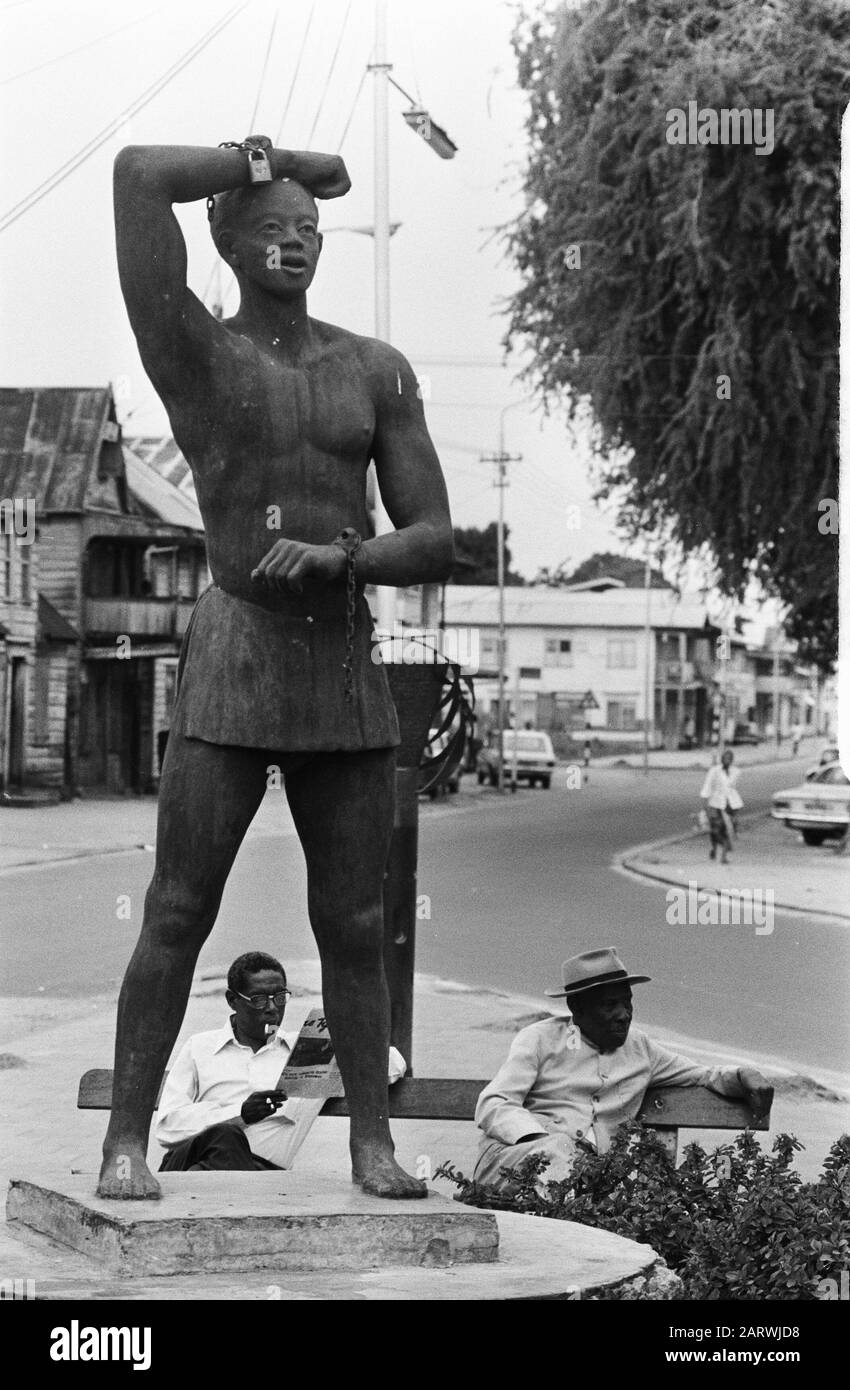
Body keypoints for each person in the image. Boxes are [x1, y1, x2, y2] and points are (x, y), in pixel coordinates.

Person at [98, 134, 453, 1202]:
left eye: (308, 228)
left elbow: (435, 534)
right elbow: (133, 177)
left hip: (341, 659)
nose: (294, 243)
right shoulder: (195, 353)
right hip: (238, 648)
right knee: (177, 907)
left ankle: (371, 1146)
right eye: (270, 228)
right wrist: (270, 156)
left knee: (352, 920)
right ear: (230, 239)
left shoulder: (373, 369)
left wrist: (348, 554)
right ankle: (125, 1137)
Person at [473, 948, 773, 1195]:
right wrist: (541, 1142)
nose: (623, 1015)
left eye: (628, 1003)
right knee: (560, 1152)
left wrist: (745, 1074)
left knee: (595, 1190)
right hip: (512, 1163)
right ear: (576, 1006)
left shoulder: (641, 1049)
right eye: (610, 1005)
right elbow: (495, 1104)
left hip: (588, 1182)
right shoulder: (539, 1039)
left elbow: (702, 1075)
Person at [156, 953, 406, 1172]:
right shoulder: (200, 1047)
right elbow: (167, 1128)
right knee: (226, 1137)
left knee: (229, 1170)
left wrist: (348, 1036)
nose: (272, 1008)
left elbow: (392, 1064)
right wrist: (239, 1114)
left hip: (260, 1175)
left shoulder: (308, 1052)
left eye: (280, 997)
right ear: (232, 1000)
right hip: (191, 1159)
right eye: (259, 1000)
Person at [700, 748, 743, 862]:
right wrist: (705, 805)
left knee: (726, 830)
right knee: (715, 830)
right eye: (725, 758)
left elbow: (732, 788)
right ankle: (714, 848)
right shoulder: (714, 771)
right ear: (722, 759)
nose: (727, 760)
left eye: (730, 758)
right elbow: (707, 787)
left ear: (732, 760)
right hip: (715, 803)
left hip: (731, 804)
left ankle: (724, 855)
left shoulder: (736, 772)